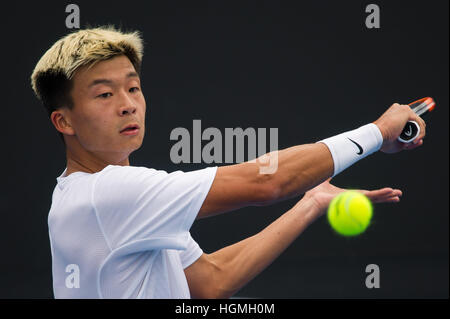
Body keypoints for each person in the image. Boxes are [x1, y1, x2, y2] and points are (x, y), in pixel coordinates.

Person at [31, 26, 425, 299]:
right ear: (63, 120)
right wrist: (378, 132)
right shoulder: (105, 195)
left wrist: (311, 202)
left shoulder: (119, 205)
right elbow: (266, 182)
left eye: (133, 87)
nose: (128, 104)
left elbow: (210, 283)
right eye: (104, 95)